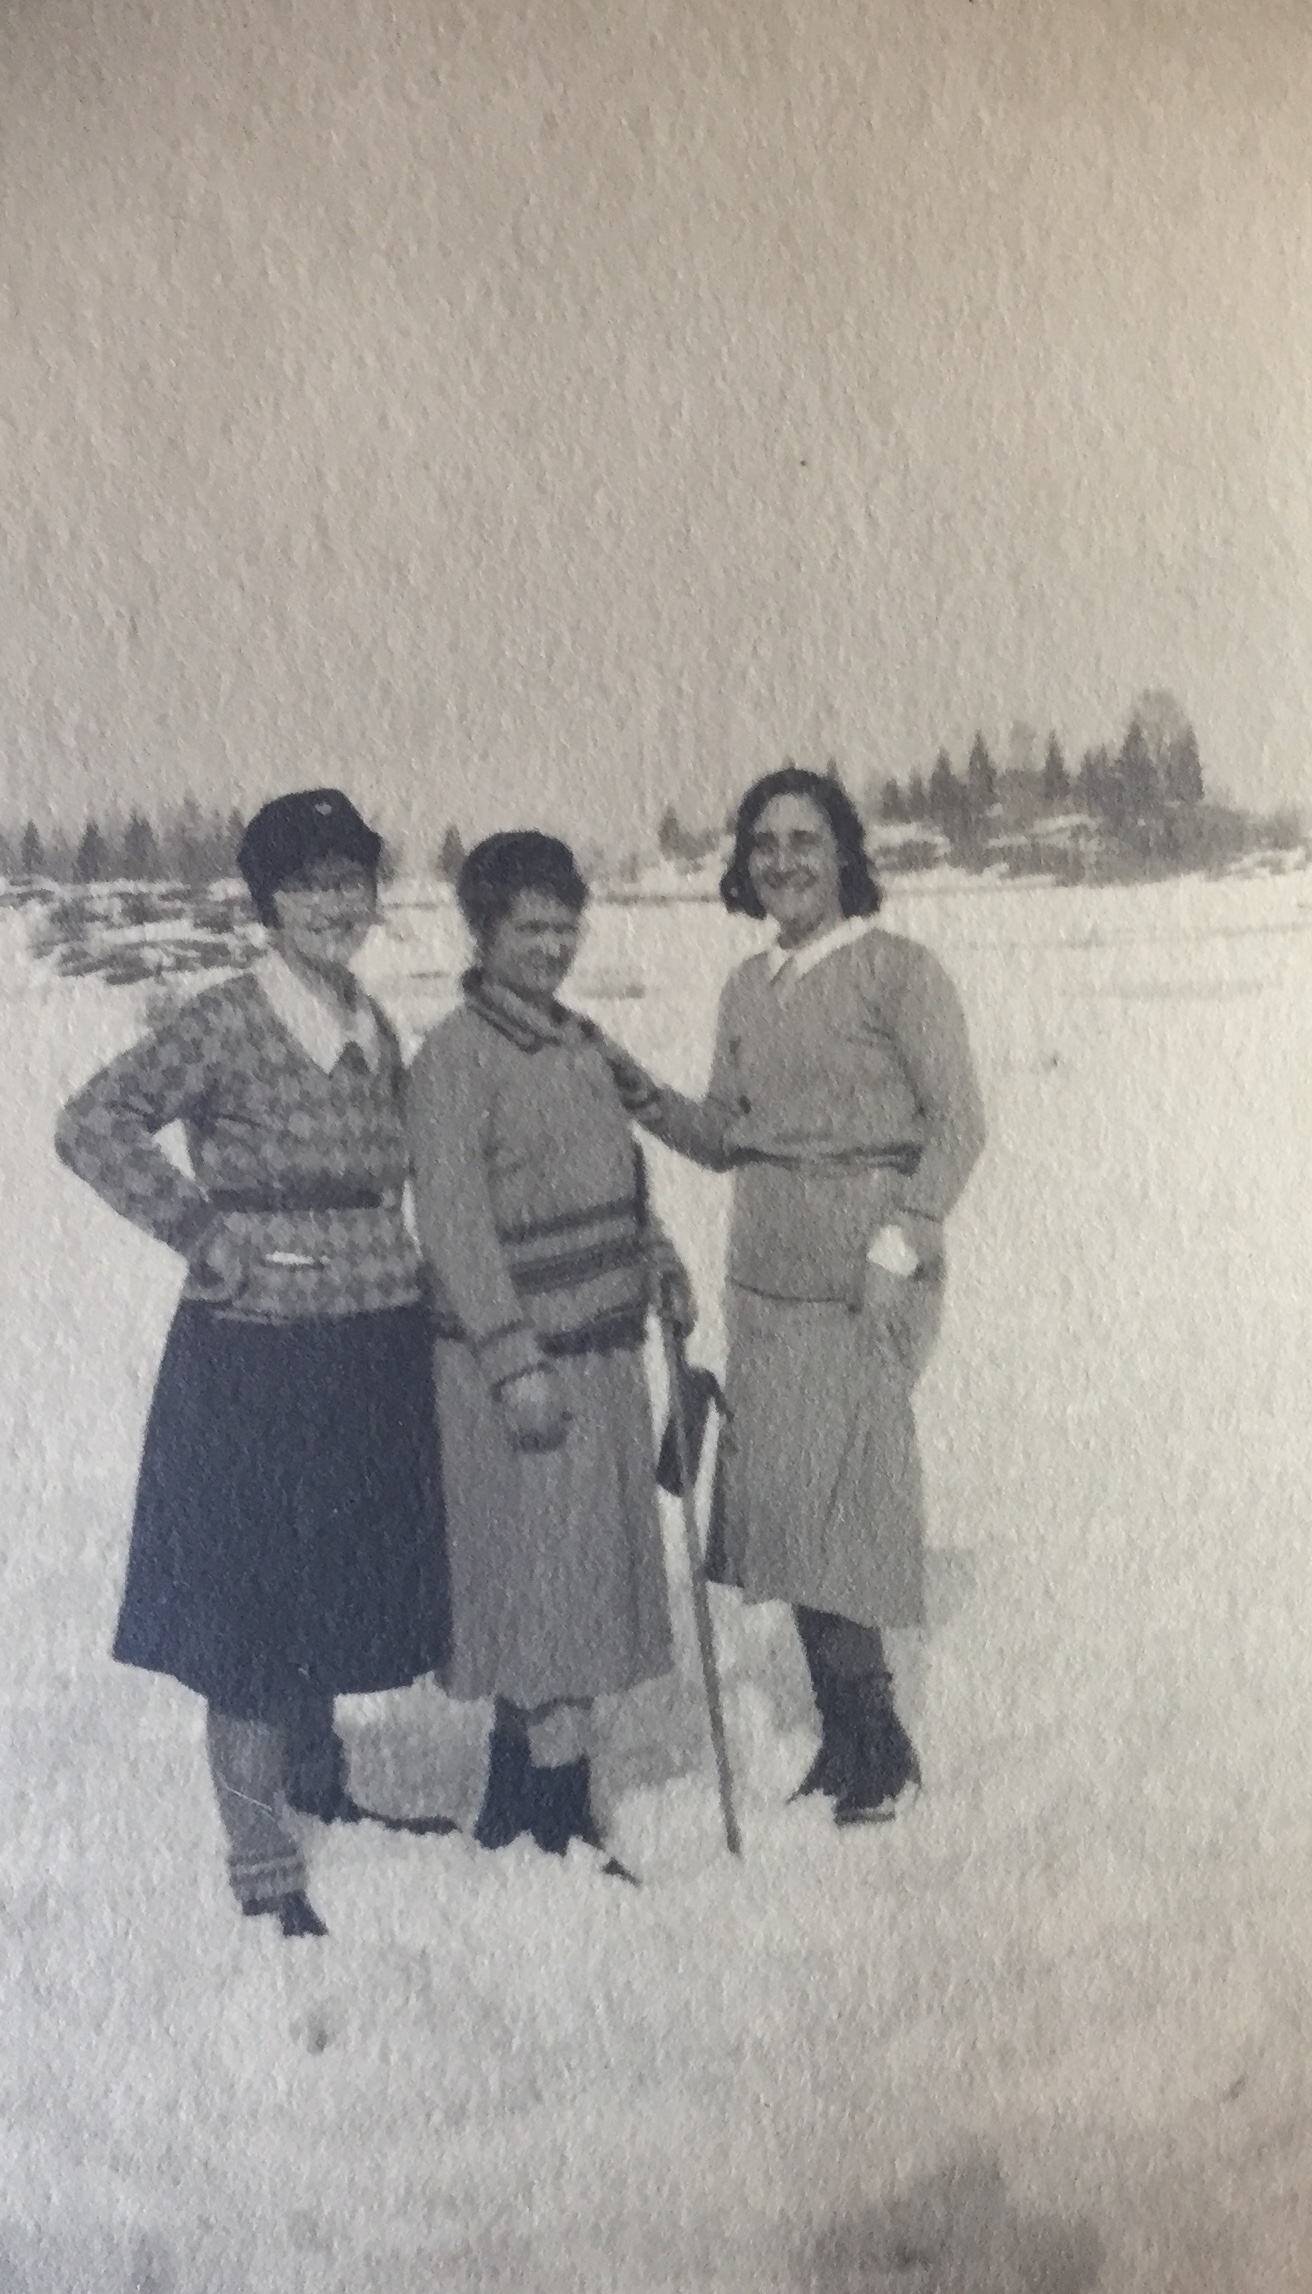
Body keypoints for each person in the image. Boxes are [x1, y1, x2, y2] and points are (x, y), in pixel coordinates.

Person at [54, 790, 449, 1938]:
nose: (332, 902)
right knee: (253, 1600)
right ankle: (262, 1854)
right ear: (266, 900)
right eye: (306, 883)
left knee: (332, 1577)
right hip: (257, 1352)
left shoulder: (375, 1021)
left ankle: (320, 1785)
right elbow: (91, 1121)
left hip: (373, 1342)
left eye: (349, 880)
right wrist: (197, 1229)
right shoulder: (226, 1018)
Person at [621, 766, 986, 1826]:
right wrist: (635, 1093)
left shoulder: (897, 971)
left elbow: (958, 1123)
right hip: (765, 1279)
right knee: (784, 1501)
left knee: (841, 1496)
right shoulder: (748, 986)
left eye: (804, 840)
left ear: (843, 854)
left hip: (865, 1271)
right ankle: (844, 1737)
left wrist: (900, 1238)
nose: (783, 862)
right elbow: (724, 1134)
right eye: (764, 844)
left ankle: (879, 1744)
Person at [406, 832, 704, 1876]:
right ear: (481, 932)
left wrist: (659, 1260)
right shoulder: (454, 1058)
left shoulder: (581, 1043)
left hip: (601, 1354)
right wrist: (512, 1360)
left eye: (564, 925)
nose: (551, 946)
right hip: (518, 1373)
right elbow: (453, 1226)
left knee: (566, 1588)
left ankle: (517, 1808)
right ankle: (556, 1826)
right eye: (529, 927)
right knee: (545, 1593)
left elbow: (620, 1179)